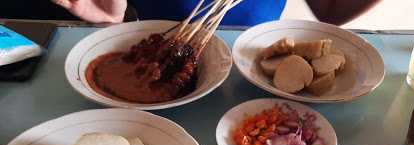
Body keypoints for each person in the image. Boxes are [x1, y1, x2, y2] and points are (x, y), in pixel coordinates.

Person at [46, 0, 382, 26]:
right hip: (153, 76)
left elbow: (332, 11)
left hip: (252, 75)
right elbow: (114, 11)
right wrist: (110, 15)